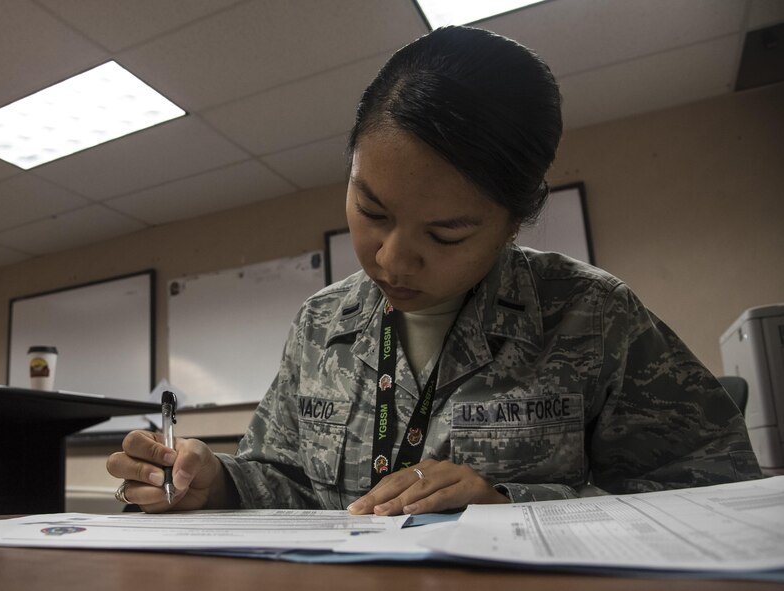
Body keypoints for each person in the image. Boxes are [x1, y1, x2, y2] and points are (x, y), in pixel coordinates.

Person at [107, 26, 762, 515]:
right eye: (370, 210)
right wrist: (213, 479)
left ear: (515, 220)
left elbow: (722, 489)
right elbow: (285, 479)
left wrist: (513, 503)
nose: (390, 259)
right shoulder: (320, 323)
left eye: (446, 232)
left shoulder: (591, 317)